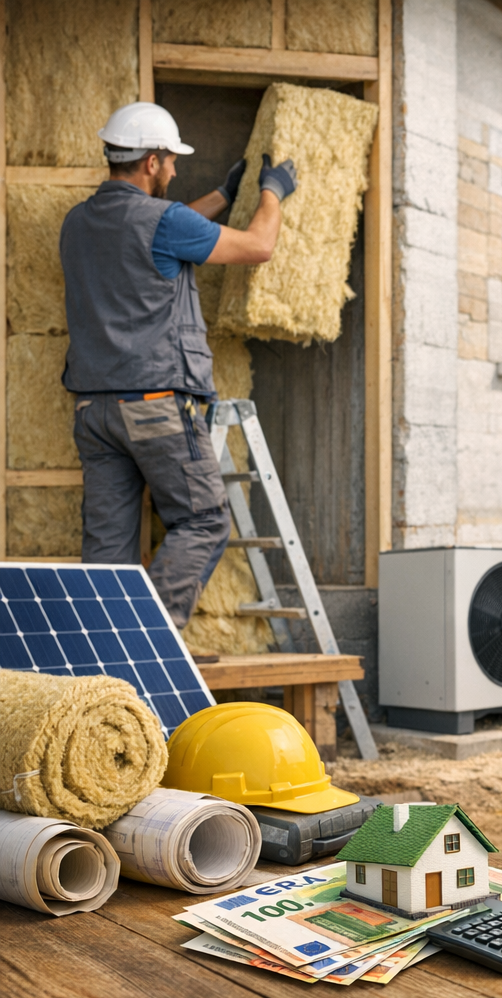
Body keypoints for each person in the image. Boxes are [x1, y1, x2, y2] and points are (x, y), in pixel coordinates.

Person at [60, 102, 298, 628]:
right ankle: (149, 639)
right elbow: (258, 246)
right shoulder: (162, 221)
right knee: (205, 520)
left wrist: (223, 195)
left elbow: (158, 234)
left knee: (107, 553)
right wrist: (271, 192)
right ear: (150, 162)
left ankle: (104, 663)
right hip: (152, 406)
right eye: (170, 162)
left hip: (93, 412)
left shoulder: (78, 223)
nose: (174, 170)